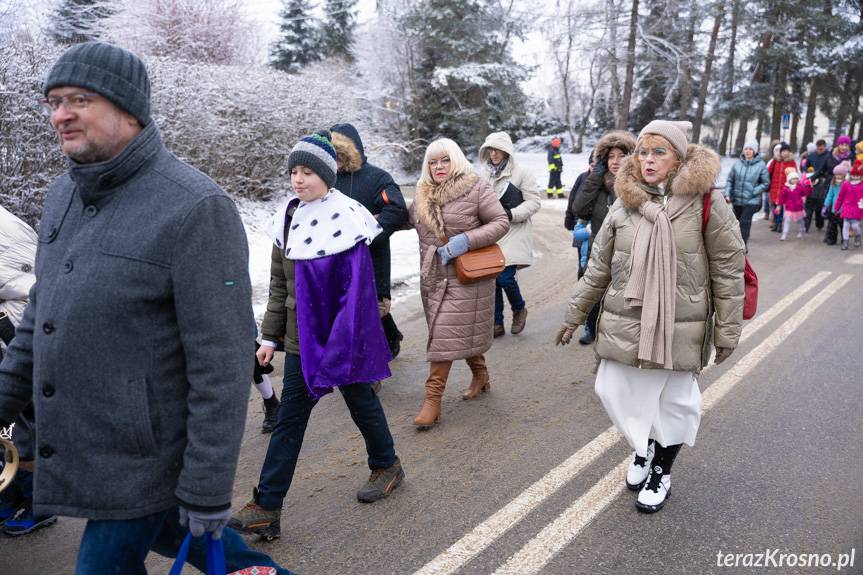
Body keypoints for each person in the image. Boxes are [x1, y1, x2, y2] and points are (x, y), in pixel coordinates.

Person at [0, 42, 291, 574]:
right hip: (90, 448)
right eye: (54, 101)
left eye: (79, 100)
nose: (60, 115)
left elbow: (221, 362)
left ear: (129, 109)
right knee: (208, 547)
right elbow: (40, 320)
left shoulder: (195, 207)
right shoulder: (62, 195)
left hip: (147, 461)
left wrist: (206, 486)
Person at [556, 120, 745, 513]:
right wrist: (575, 314)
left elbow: (729, 270)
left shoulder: (707, 202)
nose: (648, 160)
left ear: (679, 157)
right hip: (627, 319)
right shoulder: (624, 202)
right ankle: (642, 446)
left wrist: (728, 330)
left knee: (673, 405)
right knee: (612, 389)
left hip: (681, 325)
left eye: (659, 152)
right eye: (643, 151)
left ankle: (661, 468)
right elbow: (599, 267)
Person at [229, 132, 404, 541]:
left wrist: (338, 347)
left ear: (326, 175)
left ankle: (387, 464)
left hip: (343, 338)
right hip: (300, 340)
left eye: (307, 172)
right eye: (294, 171)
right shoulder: (287, 217)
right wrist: (268, 338)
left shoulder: (348, 219)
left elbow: (355, 293)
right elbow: (279, 286)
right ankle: (267, 506)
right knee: (289, 418)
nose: (298, 179)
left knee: (360, 400)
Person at [409, 138, 509, 428]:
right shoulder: (423, 193)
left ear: (456, 160)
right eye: (432, 162)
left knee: (444, 335)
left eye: (444, 160)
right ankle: (481, 374)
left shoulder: (476, 188)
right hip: (435, 278)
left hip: (468, 278)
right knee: (456, 333)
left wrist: (465, 240)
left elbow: (500, 222)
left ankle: (432, 401)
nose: (438, 167)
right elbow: (408, 219)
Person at [331, 123, 408, 362]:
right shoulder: (326, 180)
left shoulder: (377, 178)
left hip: (371, 257)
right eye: (333, 154)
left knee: (372, 305)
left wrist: (365, 232)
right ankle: (387, 335)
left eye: (341, 154)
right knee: (349, 307)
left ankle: (374, 361)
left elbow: (396, 210)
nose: (337, 159)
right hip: (337, 258)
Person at [0, 206, 54, 536]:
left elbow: (28, 287)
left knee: (19, 427)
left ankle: (40, 501)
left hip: (13, 332)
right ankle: (12, 494)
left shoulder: (5, 228)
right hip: (11, 332)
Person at [569, 130, 636, 345]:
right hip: (598, 248)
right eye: (610, 156)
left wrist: (621, 181)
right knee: (593, 293)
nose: (615, 161)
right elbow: (579, 208)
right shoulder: (595, 182)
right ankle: (593, 328)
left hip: (627, 251)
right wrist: (595, 177)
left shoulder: (637, 184)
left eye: (621, 156)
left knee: (621, 297)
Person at [479, 131, 541, 338]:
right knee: (492, 279)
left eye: (498, 149)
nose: (493, 153)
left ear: (507, 151)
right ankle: (497, 322)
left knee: (504, 277)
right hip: (491, 232)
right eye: (490, 149)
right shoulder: (483, 174)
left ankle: (519, 308)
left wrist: (511, 214)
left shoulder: (522, 172)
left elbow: (534, 202)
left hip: (515, 229)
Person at [724, 140, 770, 250]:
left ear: (755, 151)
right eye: (746, 149)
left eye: (750, 149)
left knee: (744, 222)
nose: (747, 151)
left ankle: (742, 247)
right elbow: (730, 180)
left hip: (751, 200)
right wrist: (727, 194)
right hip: (737, 199)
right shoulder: (737, 164)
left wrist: (753, 191)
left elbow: (765, 183)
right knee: (736, 223)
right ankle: (735, 245)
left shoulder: (761, 165)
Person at [804, 139, 835, 232]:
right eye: (818, 149)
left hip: (824, 182)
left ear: (825, 147)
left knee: (820, 204)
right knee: (809, 204)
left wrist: (826, 176)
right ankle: (805, 226)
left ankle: (819, 223)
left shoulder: (829, 156)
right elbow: (805, 166)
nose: (819, 150)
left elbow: (831, 169)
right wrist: (808, 171)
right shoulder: (811, 156)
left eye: (821, 149)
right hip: (812, 181)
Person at [766, 142, 798, 233]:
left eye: (787, 151)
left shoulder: (791, 162)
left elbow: (794, 176)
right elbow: (768, 171)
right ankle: (776, 223)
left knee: (781, 207)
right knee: (774, 207)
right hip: (774, 188)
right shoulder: (776, 161)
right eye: (783, 151)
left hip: (784, 189)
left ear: (789, 152)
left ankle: (780, 224)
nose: (785, 153)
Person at [834, 160, 863, 250]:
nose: (855, 177)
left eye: (857, 175)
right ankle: (845, 242)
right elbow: (840, 197)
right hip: (846, 208)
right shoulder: (846, 184)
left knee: (855, 226)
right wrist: (836, 207)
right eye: (853, 175)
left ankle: (858, 235)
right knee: (845, 226)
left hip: (857, 208)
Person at [776, 170, 811, 241]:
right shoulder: (785, 188)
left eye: (796, 179)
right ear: (789, 180)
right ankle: (784, 234)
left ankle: (801, 230)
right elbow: (781, 198)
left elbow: (806, 192)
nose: (795, 180)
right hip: (789, 208)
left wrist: (809, 186)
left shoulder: (800, 187)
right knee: (787, 221)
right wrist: (779, 206)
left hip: (798, 208)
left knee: (800, 221)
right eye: (793, 179)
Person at [822, 161, 850, 245]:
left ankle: (844, 239)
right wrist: (826, 205)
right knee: (832, 225)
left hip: (844, 209)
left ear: (844, 175)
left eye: (840, 174)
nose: (838, 176)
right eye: (836, 174)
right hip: (834, 209)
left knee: (843, 225)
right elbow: (830, 195)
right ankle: (831, 239)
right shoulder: (833, 183)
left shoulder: (847, 184)